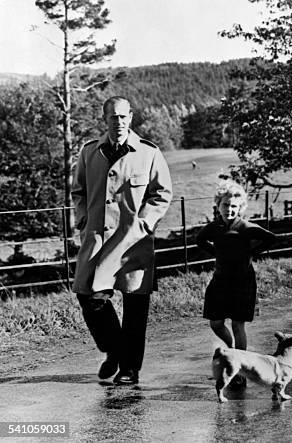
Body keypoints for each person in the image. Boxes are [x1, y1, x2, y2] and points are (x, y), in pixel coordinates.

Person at [71, 96, 173, 385]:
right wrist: (82, 220)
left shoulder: (149, 153)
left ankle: (129, 368)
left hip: (133, 243)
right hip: (97, 239)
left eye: (123, 117)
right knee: (88, 295)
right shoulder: (90, 152)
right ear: (105, 119)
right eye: (112, 117)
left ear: (131, 117)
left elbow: (162, 193)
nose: (118, 122)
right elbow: (78, 192)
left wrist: (144, 224)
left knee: (135, 307)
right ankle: (114, 350)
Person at [196, 179, 276, 384]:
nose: (229, 209)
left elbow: (271, 238)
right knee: (216, 322)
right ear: (218, 205)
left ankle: (239, 368)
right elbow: (199, 240)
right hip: (221, 280)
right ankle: (230, 349)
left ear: (240, 208)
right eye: (225, 205)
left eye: (234, 206)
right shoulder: (214, 228)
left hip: (242, 282)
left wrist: (250, 252)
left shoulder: (247, 227)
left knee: (238, 324)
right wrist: (215, 252)